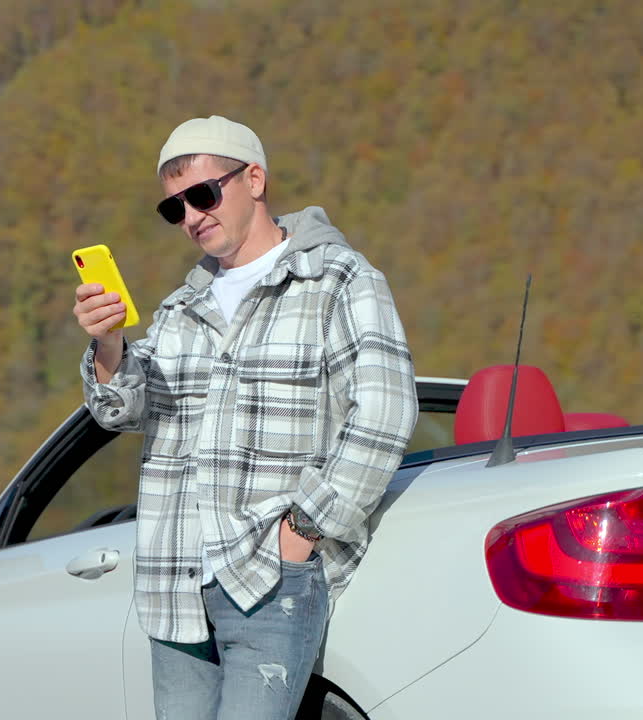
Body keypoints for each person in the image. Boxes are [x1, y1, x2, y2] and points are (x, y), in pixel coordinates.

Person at [74, 115, 418, 719]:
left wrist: (304, 530)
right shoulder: (181, 308)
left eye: (202, 195)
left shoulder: (337, 280)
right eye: (174, 208)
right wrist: (108, 345)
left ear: (254, 179)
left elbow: (386, 413)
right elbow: (122, 409)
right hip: (173, 586)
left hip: (269, 578)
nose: (191, 217)